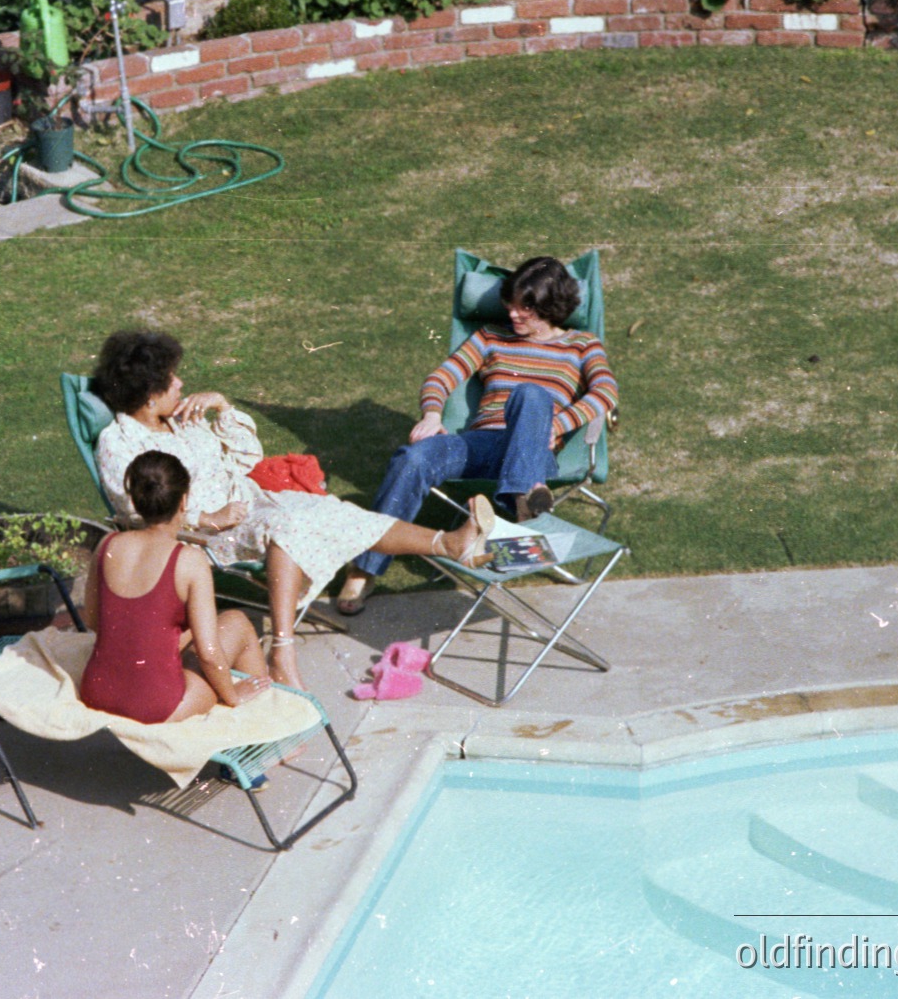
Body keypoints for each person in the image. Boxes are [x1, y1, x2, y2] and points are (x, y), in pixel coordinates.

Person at [92, 329, 495, 691]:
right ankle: (282, 652)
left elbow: (250, 457)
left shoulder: (182, 419)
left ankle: (448, 544)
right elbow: (134, 510)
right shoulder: (119, 441)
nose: (181, 383)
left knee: (336, 512)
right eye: (171, 379)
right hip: (206, 534)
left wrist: (223, 408)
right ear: (148, 394)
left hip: (253, 502)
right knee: (286, 529)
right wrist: (207, 519)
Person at [335, 256, 618, 615]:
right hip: (482, 444)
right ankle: (365, 567)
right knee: (413, 457)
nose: (513, 315)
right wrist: (433, 413)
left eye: (524, 309)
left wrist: (558, 426)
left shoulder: (583, 345)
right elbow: (441, 377)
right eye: (510, 305)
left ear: (550, 306)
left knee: (530, 394)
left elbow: (605, 393)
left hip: (534, 445)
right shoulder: (489, 337)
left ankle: (519, 496)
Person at [80, 452, 271, 724]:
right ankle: (262, 734)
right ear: (184, 501)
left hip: (97, 691)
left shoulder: (106, 546)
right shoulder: (188, 561)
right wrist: (231, 695)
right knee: (237, 622)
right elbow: (208, 652)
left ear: (134, 500)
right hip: (157, 706)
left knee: (183, 632)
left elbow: (93, 620)